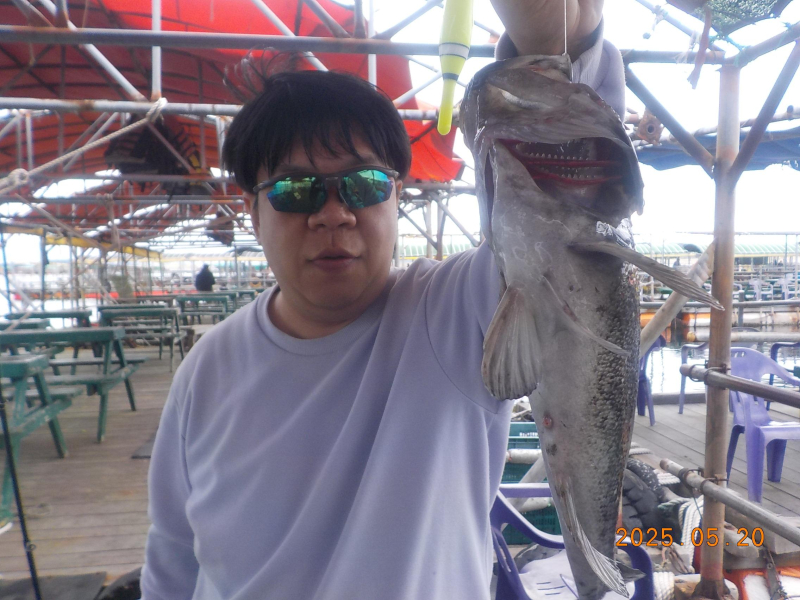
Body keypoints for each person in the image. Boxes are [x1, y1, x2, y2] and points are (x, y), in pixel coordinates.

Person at [140, 1, 621, 598]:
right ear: (253, 212)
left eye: (363, 184)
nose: (333, 214)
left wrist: (549, 32)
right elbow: (171, 554)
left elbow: (570, 206)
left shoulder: (451, 315)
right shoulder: (206, 369)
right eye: (295, 190)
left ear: (396, 196)